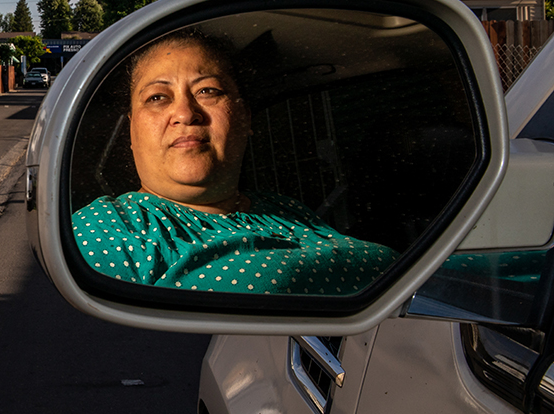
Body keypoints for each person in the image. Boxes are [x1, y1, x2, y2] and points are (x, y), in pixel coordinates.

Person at [73, 30, 396, 295]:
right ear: (131, 131)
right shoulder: (109, 228)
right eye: (157, 97)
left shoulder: (285, 209)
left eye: (207, 91)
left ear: (245, 116)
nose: (185, 113)